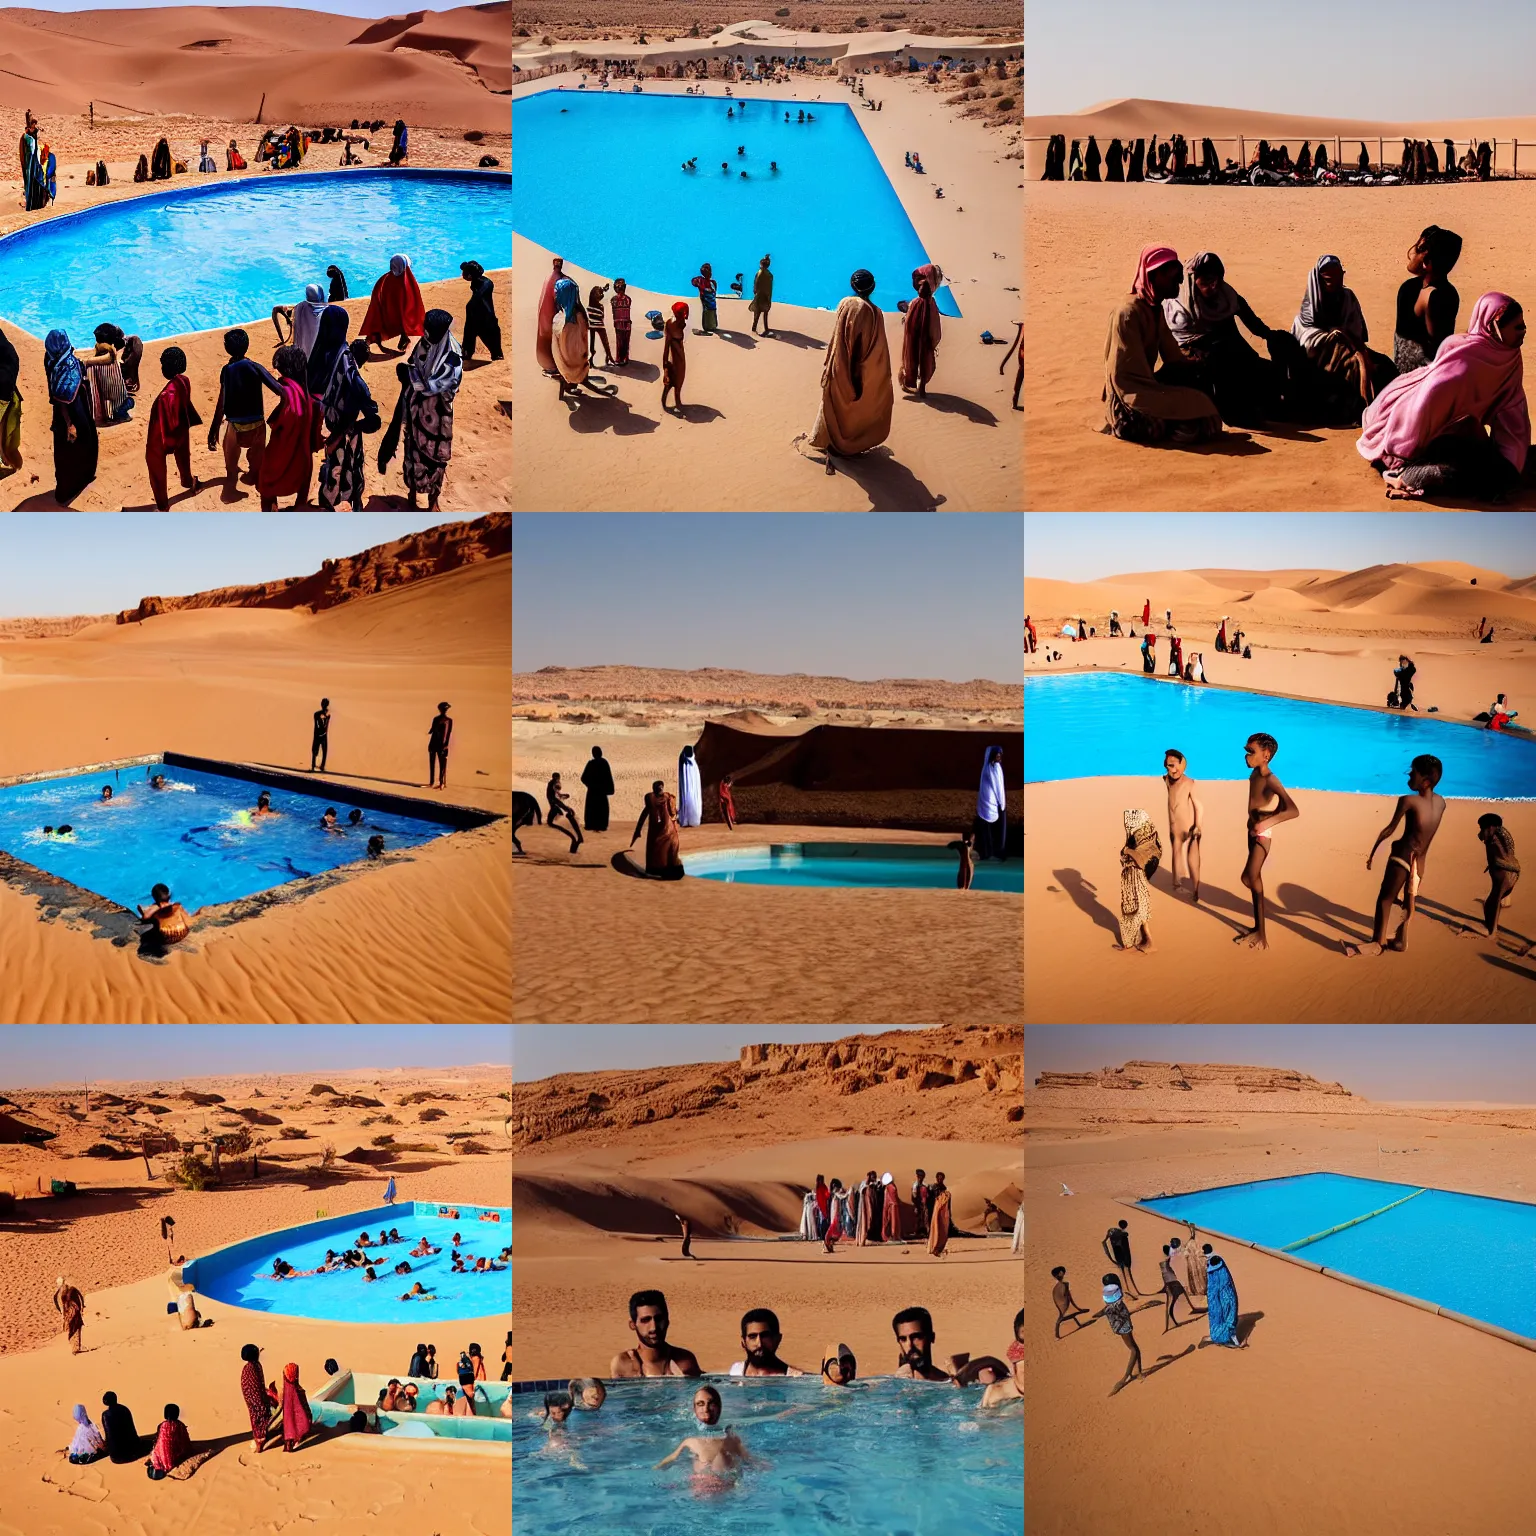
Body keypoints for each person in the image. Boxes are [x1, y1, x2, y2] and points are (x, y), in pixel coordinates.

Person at [1359, 292, 1528, 503]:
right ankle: (1403, 475)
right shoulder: (1464, 362)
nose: (1524, 331)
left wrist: (1511, 460)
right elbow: (1421, 406)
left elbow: (1512, 409)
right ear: (1495, 328)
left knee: (1506, 472)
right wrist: (1403, 455)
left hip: (1458, 434)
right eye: (1518, 327)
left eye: (1523, 325)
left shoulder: (1509, 356)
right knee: (1458, 474)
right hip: (1409, 434)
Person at [1103, 246, 1220, 445]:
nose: (1180, 282)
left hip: (1149, 386)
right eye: (1173, 278)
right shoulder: (1127, 313)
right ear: (1154, 276)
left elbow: (1172, 355)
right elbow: (1124, 377)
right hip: (1129, 396)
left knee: (1206, 411)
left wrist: (1195, 361)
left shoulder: (1155, 309)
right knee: (1163, 425)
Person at [1162, 251, 1283, 426]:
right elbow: (1170, 343)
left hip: (1230, 350)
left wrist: (1272, 336)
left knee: (1267, 372)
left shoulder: (1227, 296)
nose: (1213, 287)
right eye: (1206, 282)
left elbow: (1253, 323)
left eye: (1216, 281)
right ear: (1192, 281)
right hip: (1197, 357)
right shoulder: (1177, 307)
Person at [1343, 754, 1445, 957]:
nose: (1409, 775)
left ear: (1424, 780)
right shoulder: (1441, 803)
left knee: (1385, 899)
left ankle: (1377, 942)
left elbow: (1389, 829)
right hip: (1420, 863)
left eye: (1413, 772)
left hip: (1402, 856)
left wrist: (1373, 852)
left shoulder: (1408, 800)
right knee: (1408, 901)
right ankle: (1400, 939)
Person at [805, 268, 893, 474]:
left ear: (853, 286)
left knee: (832, 406)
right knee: (854, 410)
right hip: (857, 370)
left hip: (837, 366)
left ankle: (829, 443)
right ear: (873, 287)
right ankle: (845, 446)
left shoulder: (845, 303)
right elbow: (872, 350)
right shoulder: (875, 313)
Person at [1293, 254, 1396, 417]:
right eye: (1328, 279)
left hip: (1352, 346)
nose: (1334, 283)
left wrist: (1346, 338)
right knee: (1354, 368)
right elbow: (1307, 341)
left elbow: (1355, 329)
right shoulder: (1310, 306)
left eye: (1338, 277)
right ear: (1319, 280)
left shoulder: (1348, 297)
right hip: (1323, 355)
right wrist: (1333, 337)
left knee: (1384, 365)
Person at [381, 308, 462, 512]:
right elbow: (416, 362)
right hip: (417, 409)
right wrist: (408, 371)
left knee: (436, 456)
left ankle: (433, 500)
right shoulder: (427, 340)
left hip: (439, 414)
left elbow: (436, 385)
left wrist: (411, 378)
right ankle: (412, 494)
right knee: (413, 450)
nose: (426, 334)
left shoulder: (453, 355)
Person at [1232, 732, 1299, 950]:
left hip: (1262, 835)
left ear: (1266, 755)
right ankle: (1257, 929)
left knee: (1249, 877)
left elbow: (1292, 810)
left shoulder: (1271, 779)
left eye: (1251, 752)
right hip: (1252, 832)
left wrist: (1267, 823)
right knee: (1252, 878)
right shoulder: (1254, 775)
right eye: (1246, 751)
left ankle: (1261, 934)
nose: (1246, 756)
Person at [207, 328, 280, 494]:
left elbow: (221, 404)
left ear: (227, 348)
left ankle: (231, 475)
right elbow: (279, 389)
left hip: (236, 426)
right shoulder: (255, 367)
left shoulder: (226, 371)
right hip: (258, 426)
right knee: (257, 458)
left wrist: (212, 431)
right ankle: (254, 473)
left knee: (230, 454)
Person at [316, 325, 380, 512]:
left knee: (335, 469)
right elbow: (367, 416)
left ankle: (329, 503)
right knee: (345, 468)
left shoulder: (341, 363)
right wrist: (340, 435)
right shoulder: (356, 382)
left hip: (334, 424)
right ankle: (351, 502)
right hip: (343, 429)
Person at [1394, 226, 1463, 374]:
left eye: (1419, 249)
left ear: (1427, 261)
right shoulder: (1444, 292)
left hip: (1419, 381)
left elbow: (1437, 350)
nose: (1412, 253)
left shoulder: (1433, 296)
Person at [258, 345, 319, 510]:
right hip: (303, 458)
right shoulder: (306, 393)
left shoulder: (290, 394)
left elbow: (280, 421)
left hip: (282, 455)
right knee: (301, 492)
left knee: (267, 487)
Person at [45, 330, 98, 504]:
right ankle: (76, 483)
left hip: (61, 414)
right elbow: (68, 398)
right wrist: (70, 423)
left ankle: (65, 488)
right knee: (82, 443)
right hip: (75, 412)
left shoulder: (50, 359)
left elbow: (55, 393)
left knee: (63, 451)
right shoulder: (68, 365)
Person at [145, 346, 201, 509]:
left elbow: (164, 422)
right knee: (183, 453)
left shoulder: (164, 396)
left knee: (155, 466)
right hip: (181, 429)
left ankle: (163, 504)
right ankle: (187, 480)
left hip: (163, 437)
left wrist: (167, 445)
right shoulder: (185, 381)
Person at [655, 1387, 756, 1475]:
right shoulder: (689, 1442)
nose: (706, 1409)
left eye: (711, 1403)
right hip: (699, 1490)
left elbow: (752, 1462)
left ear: (719, 1407)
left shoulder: (732, 1440)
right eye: (700, 1404)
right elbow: (670, 1460)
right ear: (694, 1409)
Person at [610, 1290, 701, 1376]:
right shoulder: (624, 1363)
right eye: (645, 1320)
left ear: (667, 1321)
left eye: (659, 1319)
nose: (653, 1327)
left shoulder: (686, 1361)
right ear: (633, 1325)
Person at [1466, 813, 1520, 942]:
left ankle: (1492, 931)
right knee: (1493, 901)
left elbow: (1500, 854)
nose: (1480, 832)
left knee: (1493, 902)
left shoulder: (1494, 839)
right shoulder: (1499, 836)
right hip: (1510, 874)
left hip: (1504, 876)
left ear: (1490, 827)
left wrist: (1497, 863)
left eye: (1482, 828)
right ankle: (1491, 927)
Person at [1116, 808, 1160, 952]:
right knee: (1138, 913)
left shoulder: (1145, 838)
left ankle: (1147, 943)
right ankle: (1140, 941)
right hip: (1133, 879)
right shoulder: (1140, 836)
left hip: (1138, 881)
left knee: (1139, 912)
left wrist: (1127, 851)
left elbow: (1141, 861)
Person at [361, 254, 426, 352]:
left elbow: (377, 294)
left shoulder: (385, 279)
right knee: (402, 324)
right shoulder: (407, 282)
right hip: (401, 317)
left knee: (378, 324)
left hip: (387, 313)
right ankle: (403, 337)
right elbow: (413, 303)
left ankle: (367, 342)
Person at [1163, 748, 1203, 901]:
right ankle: (1176, 884)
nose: (1171, 769)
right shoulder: (1167, 780)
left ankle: (1196, 888)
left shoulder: (1189, 783)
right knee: (1176, 853)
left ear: (1182, 764)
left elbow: (1198, 805)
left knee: (1192, 857)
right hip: (1174, 826)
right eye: (1168, 766)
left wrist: (1197, 824)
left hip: (1188, 826)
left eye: (1173, 765)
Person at [899, 262, 943, 396]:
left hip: (914, 334)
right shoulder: (931, 303)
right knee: (925, 355)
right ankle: (922, 385)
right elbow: (935, 326)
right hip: (926, 336)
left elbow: (909, 322)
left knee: (911, 353)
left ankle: (910, 381)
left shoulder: (916, 303)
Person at [1093, 1275, 1143, 1391]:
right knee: (1134, 1349)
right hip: (1123, 1325)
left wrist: (1099, 1314)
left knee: (1134, 1348)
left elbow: (1108, 1309)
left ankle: (1137, 1372)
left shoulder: (1109, 1295)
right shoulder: (1116, 1297)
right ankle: (1127, 1375)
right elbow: (1120, 1311)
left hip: (1118, 1326)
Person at [630, 778, 682, 876]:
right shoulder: (668, 797)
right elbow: (672, 812)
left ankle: (657, 870)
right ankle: (669, 870)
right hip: (668, 831)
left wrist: (638, 829)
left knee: (656, 849)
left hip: (657, 830)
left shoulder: (650, 798)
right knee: (670, 849)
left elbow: (645, 812)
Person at [730, 1308, 806, 1375]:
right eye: (752, 1337)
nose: (759, 1344)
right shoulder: (735, 1372)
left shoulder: (795, 1378)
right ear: (743, 1342)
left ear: (778, 1339)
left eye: (765, 1336)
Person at [892, 1306, 951, 1381]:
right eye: (903, 1339)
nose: (909, 1345)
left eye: (916, 1337)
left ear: (932, 1337)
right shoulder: (896, 1385)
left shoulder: (946, 1381)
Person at [459, 261, 502, 363]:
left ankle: (497, 355)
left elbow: (478, 297)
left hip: (485, 316)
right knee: (469, 335)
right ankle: (467, 353)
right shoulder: (477, 281)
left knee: (491, 336)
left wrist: (469, 307)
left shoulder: (486, 284)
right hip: (476, 314)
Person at [973, 743, 1006, 860]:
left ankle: (996, 852)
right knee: (987, 829)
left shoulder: (996, 768)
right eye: (997, 756)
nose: (999, 758)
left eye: (999, 756)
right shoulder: (988, 768)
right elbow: (993, 786)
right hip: (988, 804)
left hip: (997, 803)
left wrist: (1001, 803)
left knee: (996, 830)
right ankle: (986, 852)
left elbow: (999, 787)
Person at [1204, 1252, 1242, 1346]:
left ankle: (1228, 1339)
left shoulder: (1213, 1274)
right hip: (1225, 1299)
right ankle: (1227, 1338)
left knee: (1225, 1319)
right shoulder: (1222, 1271)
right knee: (1227, 1318)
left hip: (1222, 1301)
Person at [240, 1344, 273, 1452]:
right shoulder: (252, 1368)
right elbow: (254, 1387)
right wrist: (264, 1398)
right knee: (260, 1416)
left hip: (254, 1395)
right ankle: (260, 1443)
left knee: (259, 1415)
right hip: (255, 1398)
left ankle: (262, 1436)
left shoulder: (252, 1366)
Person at [145, 1404, 191, 1478]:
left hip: (161, 1454)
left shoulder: (161, 1425)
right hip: (176, 1454)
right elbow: (185, 1439)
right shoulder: (181, 1425)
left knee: (155, 1451)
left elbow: (158, 1439)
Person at [535, 256, 564, 375]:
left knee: (544, 337)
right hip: (550, 313)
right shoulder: (557, 279)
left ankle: (549, 365)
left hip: (545, 312)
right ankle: (552, 366)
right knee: (550, 338)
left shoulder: (550, 278)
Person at [1159, 1243, 1196, 1331]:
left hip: (1170, 1282)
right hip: (1173, 1282)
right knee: (1171, 1302)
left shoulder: (1163, 1261)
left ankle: (1171, 1322)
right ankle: (1170, 1323)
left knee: (1172, 1301)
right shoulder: (1168, 1259)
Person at [1102, 1218, 1143, 1296]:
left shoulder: (1111, 1231)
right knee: (1127, 1270)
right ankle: (1130, 1291)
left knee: (1124, 1271)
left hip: (1118, 1253)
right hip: (1122, 1253)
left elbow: (1104, 1242)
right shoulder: (1122, 1234)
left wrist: (1110, 1258)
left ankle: (1129, 1290)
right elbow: (1122, 1245)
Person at [660, 300, 688, 412]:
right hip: (675, 359)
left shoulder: (681, 324)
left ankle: (677, 401)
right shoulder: (671, 325)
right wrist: (665, 366)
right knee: (669, 383)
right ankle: (666, 404)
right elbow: (666, 347)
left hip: (680, 358)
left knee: (679, 382)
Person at [579, 745, 614, 830]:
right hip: (601, 791)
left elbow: (583, 778)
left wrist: (590, 785)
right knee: (602, 808)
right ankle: (602, 825)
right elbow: (608, 777)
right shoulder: (604, 763)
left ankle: (591, 824)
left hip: (593, 791)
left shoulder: (591, 763)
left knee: (592, 808)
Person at [545, 772, 583, 849]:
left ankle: (578, 836)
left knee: (562, 812)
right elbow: (556, 791)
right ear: (554, 777)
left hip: (553, 802)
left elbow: (556, 792)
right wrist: (562, 797)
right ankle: (578, 836)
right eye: (556, 777)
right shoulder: (553, 783)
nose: (557, 779)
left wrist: (562, 795)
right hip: (553, 801)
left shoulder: (553, 783)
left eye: (557, 777)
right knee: (565, 811)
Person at [20, 110, 47, 210]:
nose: (34, 126)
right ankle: (30, 203)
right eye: (33, 124)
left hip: (35, 160)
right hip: (29, 161)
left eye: (35, 124)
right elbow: (26, 148)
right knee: (30, 181)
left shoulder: (34, 134)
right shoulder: (26, 136)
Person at [1052, 1267, 1089, 1337]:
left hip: (1061, 1307)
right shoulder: (1064, 1285)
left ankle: (1077, 1315)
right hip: (1065, 1306)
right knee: (1065, 1317)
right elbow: (1068, 1297)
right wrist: (1077, 1308)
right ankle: (1078, 1312)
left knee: (1064, 1318)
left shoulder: (1056, 1287)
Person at [54, 1276, 86, 1352]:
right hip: (70, 1312)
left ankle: (76, 1347)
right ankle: (75, 1347)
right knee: (74, 1328)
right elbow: (57, 1301)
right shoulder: (62, 1292)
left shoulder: (70, 1289)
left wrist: (81, 1307)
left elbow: (80, 1297)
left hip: (72, 1311)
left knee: (75, 1327)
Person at [586, 283, 614, 365]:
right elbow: (602, 317)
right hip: (600, 325)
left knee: (592, 342)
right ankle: (609, 356)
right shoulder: (601, 307)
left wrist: (604, 289)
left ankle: (591, 360)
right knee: (605, 342)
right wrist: (604, 289)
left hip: (591, 326)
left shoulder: (589, 307)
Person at [426, 701, 453, 788]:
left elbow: (447, 734)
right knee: (435, 763)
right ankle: (434, 782)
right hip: (436, 744)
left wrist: (446, 745)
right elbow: (434, 731)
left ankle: (440, 783)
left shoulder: (446, 720)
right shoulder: (443, 720)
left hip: (439, 745)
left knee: (440, 764)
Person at [926, 1176, 952, 1256]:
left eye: (942, 1178)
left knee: (940, 1228)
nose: (940, 1180)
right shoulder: (932, 1187)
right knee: (932, 1228)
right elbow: (929, 1199)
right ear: (936, 1178)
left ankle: (938, 1246)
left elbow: (946, 1202)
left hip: (940, 1211)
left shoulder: (944, 1188)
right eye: (939, 1178)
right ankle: (932, 1246)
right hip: (932, 1209)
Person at [677, 743, 702, 827]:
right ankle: (685, 818)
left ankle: (693, 819)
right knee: (686, 799)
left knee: (693, 801)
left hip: (693, 789)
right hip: (686, 788)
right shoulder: (683, 763)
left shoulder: (694, 765)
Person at [692, 261, 719, 333]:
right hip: (707, 300)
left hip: (710, 300)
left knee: (711, 311)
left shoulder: (710, 282)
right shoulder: (701, 280)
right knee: (708, 311)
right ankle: (709, 326)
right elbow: (694, 282)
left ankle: (711, 326)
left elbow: (713, 290)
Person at [750, 254, 774, 336]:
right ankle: (766, 327)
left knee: (757, 312)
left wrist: (755, 291)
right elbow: (770, 287)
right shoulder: (770, 275)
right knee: (765, 312)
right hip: (766, 296)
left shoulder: (759, 273)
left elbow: (756, 283)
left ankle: (754, 327)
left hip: (759, 295)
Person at [310, 698, 331, 771]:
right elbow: (321, 725)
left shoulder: (321, 714)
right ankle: (314, 765)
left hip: (321, 735)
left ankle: (321, 766)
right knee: (316, 750)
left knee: (323, 750)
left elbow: (325, 726)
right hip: (319, 735)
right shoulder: (317, 714)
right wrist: (326, 719)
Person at [881, 1170, 902, 1241]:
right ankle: (892, 1235)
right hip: (891, 1206)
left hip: (892, 1206)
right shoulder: (890, 1187)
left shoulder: (890, 1187)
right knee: (892, 1221)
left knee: (893, 1221)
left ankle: (894, 1235)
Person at [911, 1170, 930, 1237]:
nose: (920, 1177)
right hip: (918, 1204)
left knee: (926, 1218)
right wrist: (916, 1206)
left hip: (925, 1204)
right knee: (917, 1219)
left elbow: (928, 1195)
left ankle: (928, 1232)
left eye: (922, 1176)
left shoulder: (925, 1185)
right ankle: (916, 1232)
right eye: (919, 1176)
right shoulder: (915, 1186)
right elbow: (914, 1197)